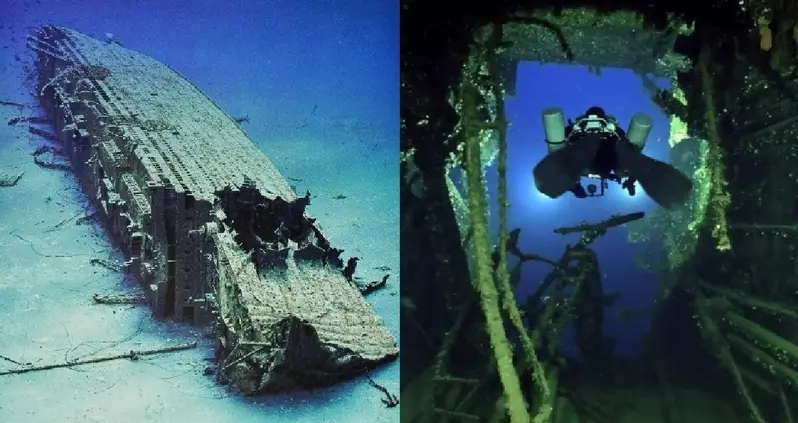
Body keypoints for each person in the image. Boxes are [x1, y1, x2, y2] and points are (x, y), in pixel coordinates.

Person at [533, 106, 693, 210]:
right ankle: (675, 192)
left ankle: (601, 155)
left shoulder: (574, 131)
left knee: (576, 158)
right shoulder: (614, 132)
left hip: (586, 156)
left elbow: (562, 158)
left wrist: (574, 187)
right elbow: (627, 156)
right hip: (610, 156)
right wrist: (630, 176)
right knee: (627, 159)